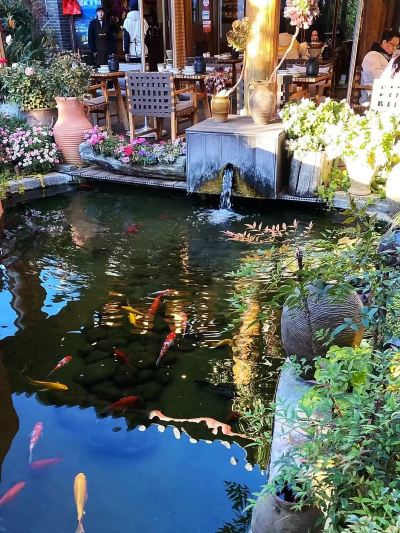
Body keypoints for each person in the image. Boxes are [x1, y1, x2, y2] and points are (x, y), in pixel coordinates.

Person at [360, 29, 400, 103]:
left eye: (396, 46)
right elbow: (375, 75)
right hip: (373, 96)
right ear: (384, 42)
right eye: (393, 45)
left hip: (386, 95)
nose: (394, 49)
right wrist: (395, 75)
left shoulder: (387, 58)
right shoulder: (373, 55)